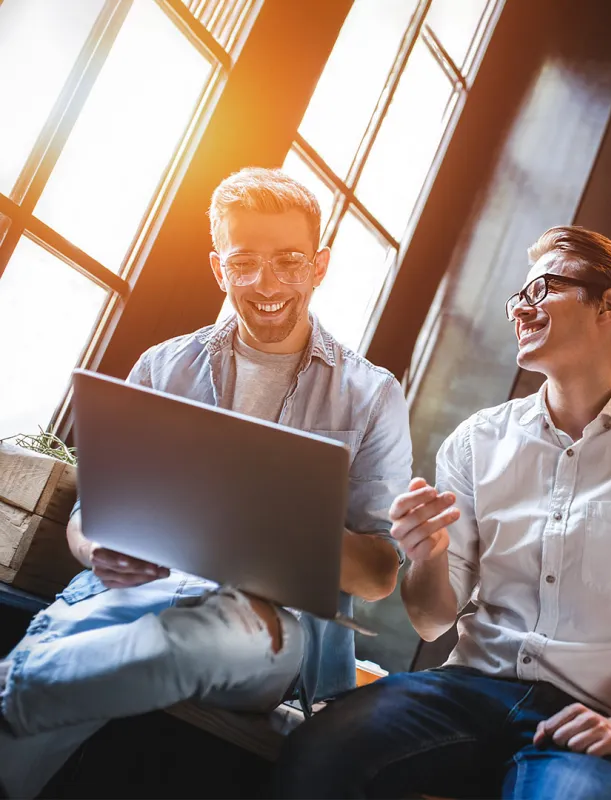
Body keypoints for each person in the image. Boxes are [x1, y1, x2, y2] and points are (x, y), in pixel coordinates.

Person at [276, 226, 611, 799]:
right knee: (316, 752)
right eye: (516, 298)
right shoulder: (478, 440)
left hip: (591, 721)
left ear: (609, 304)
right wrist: (429, 558)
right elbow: (431, 620)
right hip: (461, 692)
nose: (520, 309)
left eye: (541, 289)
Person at [0, 167, 412, 798]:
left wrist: (278, 515)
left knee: (170, 647)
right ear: (219, 269)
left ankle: (15, 689)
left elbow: (380, 573)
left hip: (266, 623)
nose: (266, 284)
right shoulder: (164, 365)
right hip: (134, 593)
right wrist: (96, 549)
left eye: (289, 261)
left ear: (320, 266)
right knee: (80, 670)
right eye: (244, 261)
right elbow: (91, 517)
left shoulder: (371, 395)